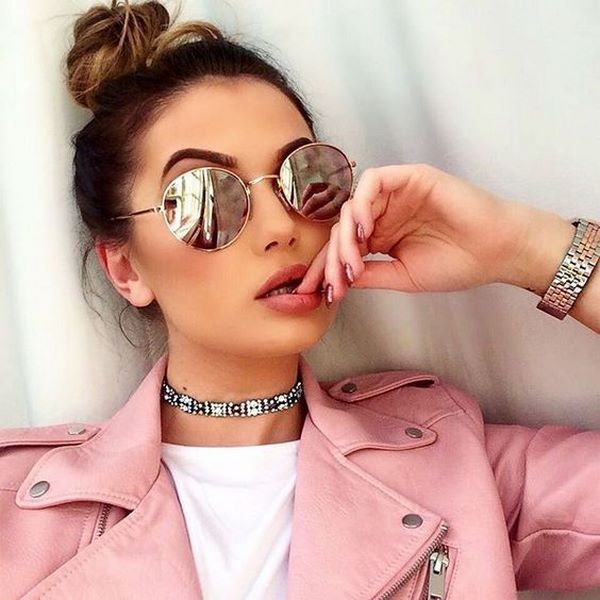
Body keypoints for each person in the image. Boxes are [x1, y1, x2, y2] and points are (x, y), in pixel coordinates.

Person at [1, 1, 599, 599]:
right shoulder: (18, 513)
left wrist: (523, 248)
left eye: (307, 178)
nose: (280, 228)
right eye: (205, 197)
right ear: (127, 269)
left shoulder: (454, 466)